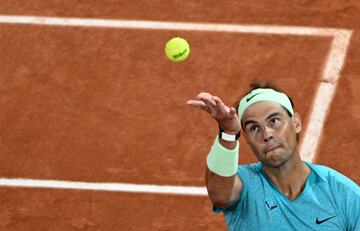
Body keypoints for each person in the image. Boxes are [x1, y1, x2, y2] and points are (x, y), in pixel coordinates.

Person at [186, 83, 360, 231]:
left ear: (296, 123)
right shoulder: (244, 185)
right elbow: (219, 195)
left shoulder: (341, 193)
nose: (266, 134)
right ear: (246, 138)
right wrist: (229, 132)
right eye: (254, 128)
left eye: (274, 121)